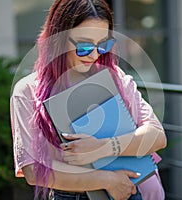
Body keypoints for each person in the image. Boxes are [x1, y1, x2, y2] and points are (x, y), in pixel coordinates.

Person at [10, 0, 167, 199]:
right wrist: (107, 180)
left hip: (132, 189)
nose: (94, 55)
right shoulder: (27, 90)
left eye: (103, 45)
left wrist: (102, 148)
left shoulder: (115, 77)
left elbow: (157, 136)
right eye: (84, 47)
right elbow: (34, 171)